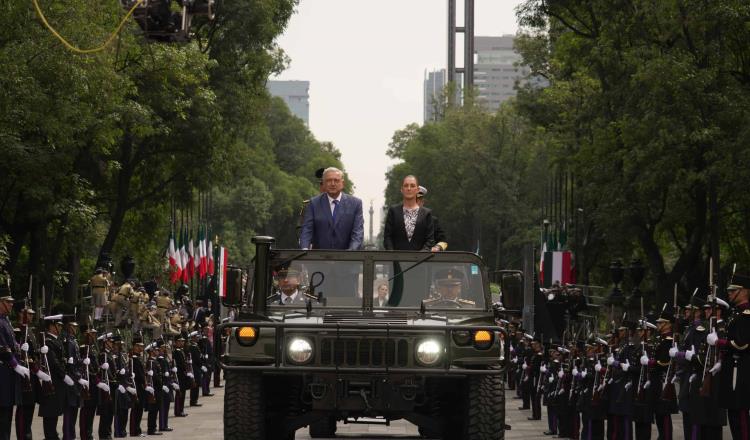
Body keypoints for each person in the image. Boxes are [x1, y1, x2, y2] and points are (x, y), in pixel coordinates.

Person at [299, 167, 364, 250]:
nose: (333, 184)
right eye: (329, 180)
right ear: (324, 183)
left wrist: (349, 254)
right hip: (319, 259)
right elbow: (307, 230)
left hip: (347, 260)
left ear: (342, 183)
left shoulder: (355, 204)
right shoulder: (313, 203)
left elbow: (357, 233)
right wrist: (305, 249)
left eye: (336, 180)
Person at [383, 176, 436, 251]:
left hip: (420, 261)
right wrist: (394, 257)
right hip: (396, 260)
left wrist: (418, 258)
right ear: (401, 189)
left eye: (412, 186)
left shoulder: (427, 213)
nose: (409, 188)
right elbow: (387, 238)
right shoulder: (393, 211)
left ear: (417, 190)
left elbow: (430, 241)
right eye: (406, 185)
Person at [416, 186, 448, 252]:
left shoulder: (432, 220)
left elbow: (443, 241)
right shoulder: (398, 219)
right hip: (403, 258)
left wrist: (437, 247)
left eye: (418, 200)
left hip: (425, 259)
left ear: (422, 202)